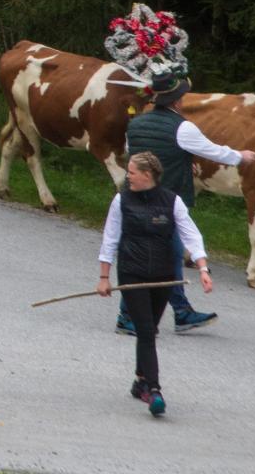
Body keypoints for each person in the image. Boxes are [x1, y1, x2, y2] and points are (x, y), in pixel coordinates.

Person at [119, 75, 255, 334]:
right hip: (164, 201)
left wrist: (182, 160)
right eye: (181, 96)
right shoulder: (183, 128)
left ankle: (169, 312)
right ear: (176, 100)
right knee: (167, 256)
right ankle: (158, 314)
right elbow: (214, 151)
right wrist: (241, 156)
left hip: (133, 198)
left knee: (145, 257)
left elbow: (137, 153)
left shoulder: (135, 124)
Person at [97, 151, 212, 417]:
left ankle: (140, 381)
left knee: (151, 330)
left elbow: (191, 235)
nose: (128, 176)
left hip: (164, 276)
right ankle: (154, 390)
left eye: (132, 172)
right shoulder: (121, 200)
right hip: (132, 274)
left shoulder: (172, 202)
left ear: (147, 175)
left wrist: (203, 268)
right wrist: (104, 277)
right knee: (146, 331)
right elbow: (110, 238)